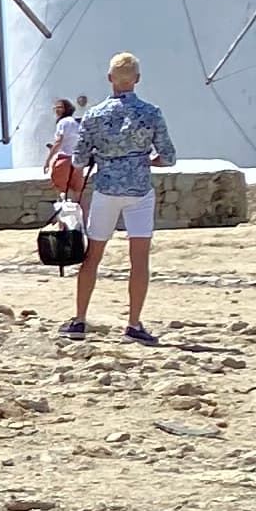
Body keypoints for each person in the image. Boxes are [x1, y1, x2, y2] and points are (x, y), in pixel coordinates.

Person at [63, 50, 175, 345]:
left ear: (110, 78)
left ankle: (79, 319)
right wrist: (145, 162)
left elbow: (78, 159)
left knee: (93, 257)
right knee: (139, 261)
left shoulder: (95, 115)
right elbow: (169, 157)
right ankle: (134, 324)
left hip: (106, 190)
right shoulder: (151, 113)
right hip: (139, 191)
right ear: (136, 79)